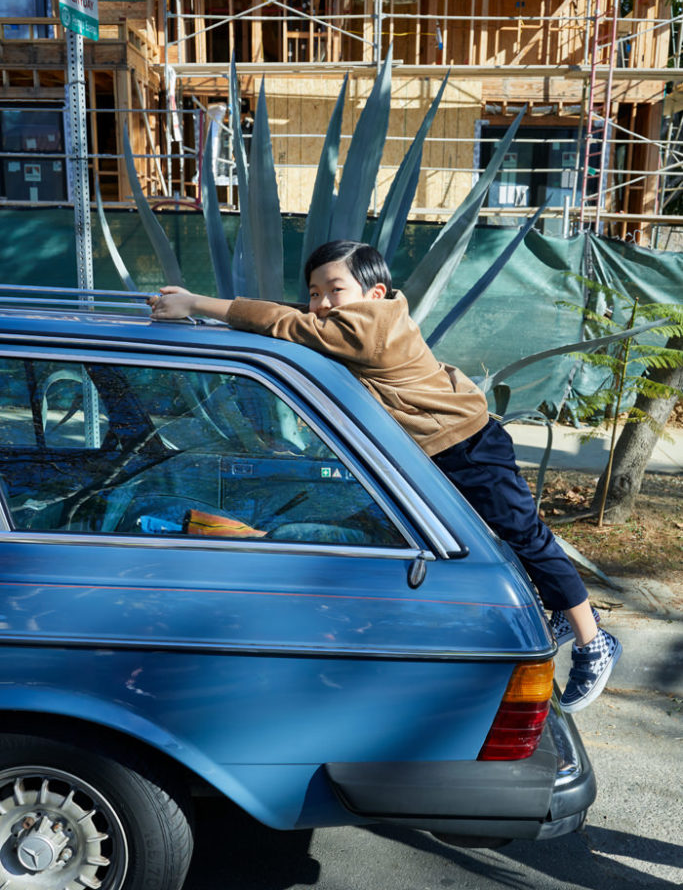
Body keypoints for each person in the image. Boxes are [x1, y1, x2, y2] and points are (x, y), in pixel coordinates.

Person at [148, 239, 622, 713]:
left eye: (335, 289)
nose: (321, 303)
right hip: (442, 449)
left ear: (374, 293)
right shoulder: (366, 318)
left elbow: (284, 322)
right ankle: (568, 614)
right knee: (487, 541)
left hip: (467, 448)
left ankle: (594, 641)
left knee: (525, 536)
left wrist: (197, 303)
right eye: (314, 293)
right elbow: (291, 316)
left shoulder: (369, 326)